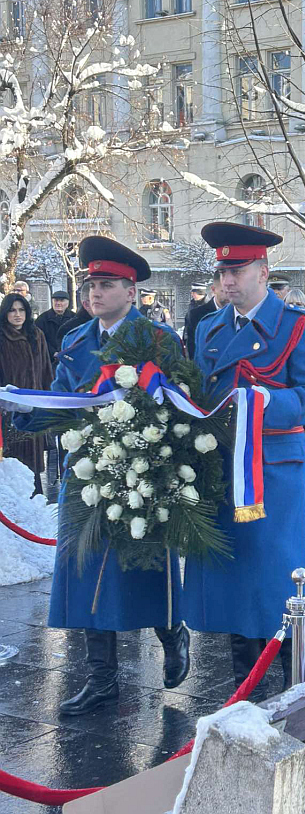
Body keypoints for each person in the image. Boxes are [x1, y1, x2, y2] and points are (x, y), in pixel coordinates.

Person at [2, 237, 190, 715]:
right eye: (90, 286)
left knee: (143, 567)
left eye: (106, 285)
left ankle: (172, 633)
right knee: (84, 571)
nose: (94, 295)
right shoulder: (76, 341)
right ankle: (101, 678)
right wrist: (23, 411)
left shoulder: (158, 340)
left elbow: (179, 406)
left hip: (139, 470)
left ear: (132, 291)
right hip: (86, 471)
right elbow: (65, 402)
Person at [184, 222, 305, 703]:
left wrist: (264, 402)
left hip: (272, 473)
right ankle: (244, 691)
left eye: (238, 270)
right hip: (221, 467)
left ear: (264, 270)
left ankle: (293, 688)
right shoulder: (209, 327)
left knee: (271, 578)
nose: (228, 281)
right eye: (222, 271)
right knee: (232, 578)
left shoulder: (297, 324)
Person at [0, 293, 53, 495]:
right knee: (13, 461)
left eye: (21, 310)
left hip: (34, 407)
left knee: (34, 459)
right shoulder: (2, 336)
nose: (17, 314)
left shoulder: (36, 334)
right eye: (12, 310)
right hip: (9, 410)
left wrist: (48, 401)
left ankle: (36, 498)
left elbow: (47, 371)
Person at [183, 271, 229, 359]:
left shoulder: (241, 311)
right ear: (213, 289)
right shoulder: (196, 315)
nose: (228, 295)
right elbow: (192, 348)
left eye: (231, 290)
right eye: (223, 291)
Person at [35, 290, 75, 364]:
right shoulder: (42, 319)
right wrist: (53, 352)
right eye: (56, 300)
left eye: (62, 300)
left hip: (71, 359)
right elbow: (38, 339)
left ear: (68, 302)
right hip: (48, 360)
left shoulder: (74, 318)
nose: (58, 303)